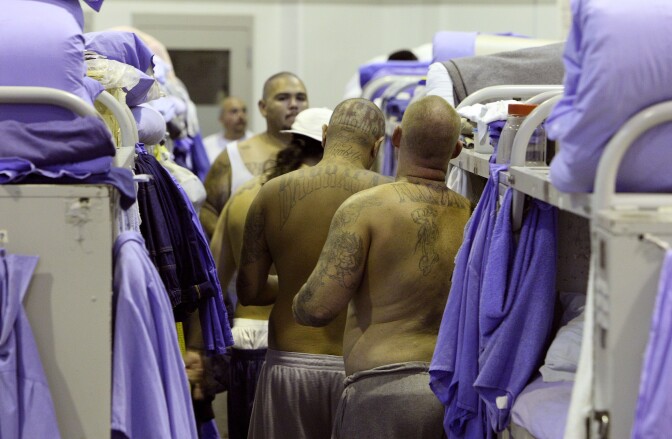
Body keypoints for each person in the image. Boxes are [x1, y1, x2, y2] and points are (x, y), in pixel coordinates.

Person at [292, 96, 471, 438]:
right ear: (457, 150)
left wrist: (296, 296)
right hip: (449, 393)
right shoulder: (473, 216)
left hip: (380, 392)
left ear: (398, 137)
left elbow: (317, 308)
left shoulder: (365, 208)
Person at [236, 98, 392, 439]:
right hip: (360, 370)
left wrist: (298, 281)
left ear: (324, 134)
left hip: (290, 365)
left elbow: (248, 291)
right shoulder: (391, 196)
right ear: (377, 145)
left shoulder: (271, 193)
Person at [209, 107, 333, 439]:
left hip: (248, 333)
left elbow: (216, 277)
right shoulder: (336, 199)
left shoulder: (247, 194)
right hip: (306, 347)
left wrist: (202, 346)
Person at [200, 72, 309, 238]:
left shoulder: (322, 154)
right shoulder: (234, 155)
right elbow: (207, 208)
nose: (294, 104)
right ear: (263, 107)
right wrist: (231, 246)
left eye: (301, 98)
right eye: (283, 98)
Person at [202, 96, 254, 165]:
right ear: (221, 118)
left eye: (244, 111)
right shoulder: (207, 146)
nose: (241, 116)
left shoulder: (257, 143)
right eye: (234, 111)